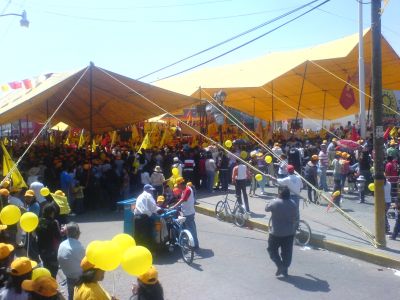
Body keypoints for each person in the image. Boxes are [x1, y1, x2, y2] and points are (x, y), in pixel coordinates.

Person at [265, 187, 298, 277]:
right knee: (287, 252)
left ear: (280, 194)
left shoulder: (276, 202)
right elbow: (295, 217)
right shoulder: (293, 204)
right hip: (289, 233)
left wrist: (273, 200)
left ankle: (280, 265)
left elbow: (266, 208)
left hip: (276, 233)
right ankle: (285, 268)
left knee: (271, 249)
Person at [57, 223, 85, 300]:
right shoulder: (79, 247)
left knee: (71, 294)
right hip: (79, 277)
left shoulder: (62, 244)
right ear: (77, 234)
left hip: (68, 275)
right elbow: (85, 262)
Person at [172, 177, 199, 249]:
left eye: (178, 186)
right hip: (186, 212)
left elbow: (183, 199)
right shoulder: (184, 190)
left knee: (191, 230)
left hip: (188, 213)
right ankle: (189, 243)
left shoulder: (187, 190)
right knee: (186, 228)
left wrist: (174, 206)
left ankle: (195, 245)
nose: (178, 187)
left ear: (181, 184)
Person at [36, 204, 62, 278]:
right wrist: (62, 231)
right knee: (54, 269)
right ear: (52, 212)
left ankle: (47, 283)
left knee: (46, 267)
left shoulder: (39, 220)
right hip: (51, 250)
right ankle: (51, 285)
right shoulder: (53, 222)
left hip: (41, 249)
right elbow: (58, 237)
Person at [133, 185, 161, 251]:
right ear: (147, 190)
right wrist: (159, 210)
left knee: (138, 234)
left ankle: (137, 249)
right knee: (148, 233)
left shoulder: (139, 196)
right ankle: (150, 250)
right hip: (144, 217)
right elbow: (153, 206)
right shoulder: (148, 195)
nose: (152, 192)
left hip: (137, 217)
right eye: (151, 190)